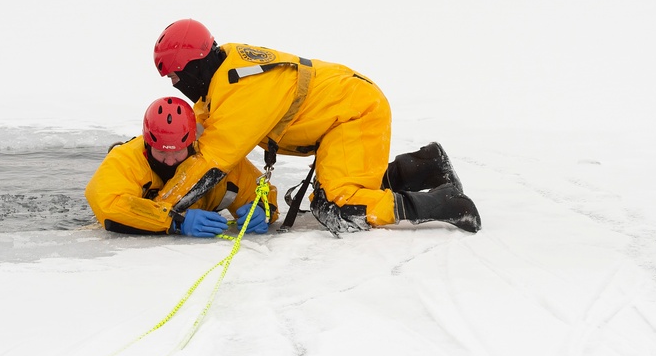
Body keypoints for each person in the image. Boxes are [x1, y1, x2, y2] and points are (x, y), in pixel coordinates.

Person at [150, 18, 481, 234]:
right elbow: (201, 133)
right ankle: (425, 166)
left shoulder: (240, 90)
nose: (176, 84)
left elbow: (213, 160)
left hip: (352, 112)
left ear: (192, 66)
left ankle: (446, 203)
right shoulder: (226, 73)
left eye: (175, 76)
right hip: (344, 105)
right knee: (334, 189)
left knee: (338, 206)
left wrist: (163, 209)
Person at [86, 97, 280, 236]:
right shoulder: (124, 159)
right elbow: (109, 205)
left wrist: (263, 210)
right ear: (147, 143)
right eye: (161, 152)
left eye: (177, 152)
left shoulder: (212, 159)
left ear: (191, 142)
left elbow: (258, 192)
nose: (170, 161)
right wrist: (175, 221)